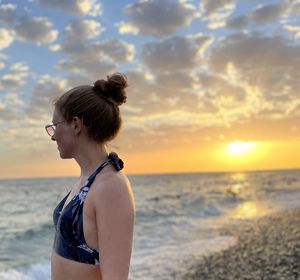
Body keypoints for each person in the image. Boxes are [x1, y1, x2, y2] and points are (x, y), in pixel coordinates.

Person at [45, 73, 135, 280]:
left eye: (54, 126)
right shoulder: (89, 178)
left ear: (76, 124)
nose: (52, 136)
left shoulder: (111, 186)